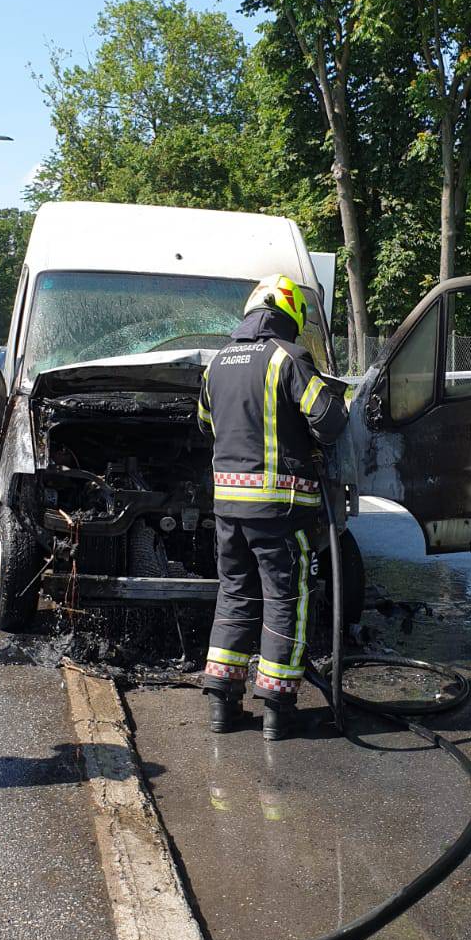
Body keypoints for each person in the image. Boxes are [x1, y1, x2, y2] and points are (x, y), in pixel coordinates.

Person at [197, 274, 347, 741]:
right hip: (280, 509)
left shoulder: (216, 363)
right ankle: (278, 708)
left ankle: (223, 704)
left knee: (235, 595)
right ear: (290, 315)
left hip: (228, 508)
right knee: (285, 599)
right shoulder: (289, 358)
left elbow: (205, 425)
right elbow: (329, 419)